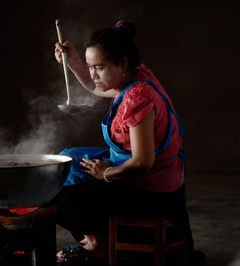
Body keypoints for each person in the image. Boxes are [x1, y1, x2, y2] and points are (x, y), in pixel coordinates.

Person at [53, 20, 204, 265]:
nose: (93, 74)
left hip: (151, 191)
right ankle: (97, 236)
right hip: (142, 174)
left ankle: (96, 243)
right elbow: (94, 85)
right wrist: (73, 61)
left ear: (122, 62)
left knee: (60, 191)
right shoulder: (135, 75)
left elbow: (144, 163)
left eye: (98, 67)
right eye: (90, 66)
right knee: (65, 160)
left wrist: (107, 173)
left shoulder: (138, 98)